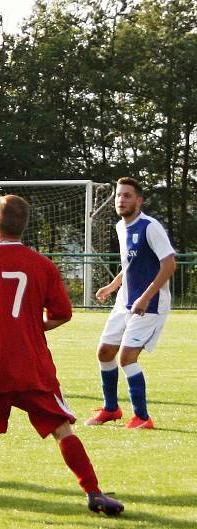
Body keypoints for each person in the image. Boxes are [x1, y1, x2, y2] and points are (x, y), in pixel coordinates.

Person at [0, 194, 124, 517]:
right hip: (33, 364)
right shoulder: (42, 265)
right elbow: (62, 313)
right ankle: (94, 493)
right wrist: (32, 326)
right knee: (62, 429)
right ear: (23, 227)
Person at [89, 177, 176, 429]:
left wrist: (145, 297)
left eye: (127, 196)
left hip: (150, 303)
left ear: (139, 200)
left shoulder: (150, 226)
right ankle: (111, 409)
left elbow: (169, 264)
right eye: (118, 195)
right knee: (105, 352)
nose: (121, 200)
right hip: (124, 302)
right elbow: (130, 265)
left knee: (127, 358)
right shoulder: (120, 227)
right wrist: (112, 286)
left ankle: (142, 417)